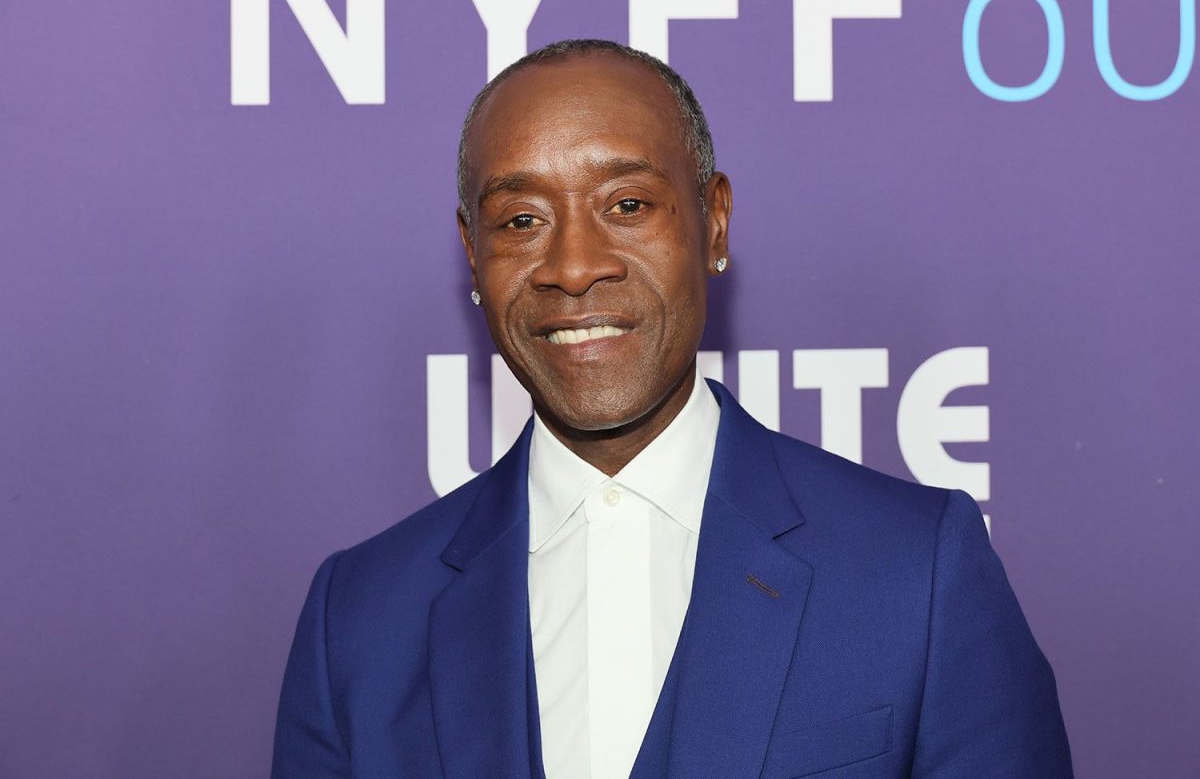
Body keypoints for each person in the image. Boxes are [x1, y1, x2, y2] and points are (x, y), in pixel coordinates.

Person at [271, 39, 1073, 778]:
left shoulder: (917, 571)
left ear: (713, 223)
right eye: (521, 220)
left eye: (627, 206)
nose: (573, 267)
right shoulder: (360, 618)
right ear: (473, 255)